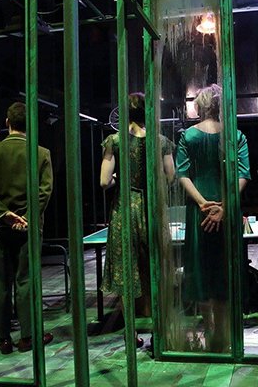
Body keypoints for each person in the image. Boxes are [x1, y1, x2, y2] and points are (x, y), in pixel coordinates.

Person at [0, 102, 54, 355]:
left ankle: (4, 339)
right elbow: (44, 192)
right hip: (28, 228)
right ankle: (28, 336)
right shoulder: (41, 153)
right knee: (26, 280)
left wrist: (3, 214)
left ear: (7, 123)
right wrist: (26, 217)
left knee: (0, 284)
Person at [176, 84, 250, 352]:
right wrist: (225, 207)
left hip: (199, 212)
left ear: (200, 106)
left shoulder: (188, 136)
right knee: (223, 269)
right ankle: (223, 334)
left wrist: (202, 204)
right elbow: (243, 174)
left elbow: (182, 174)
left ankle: (208, 329)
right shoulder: (235, 136)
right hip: (226, 210)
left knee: (201, 269)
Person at [100, 92, 175, 348]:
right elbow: (170, 177)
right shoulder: (161, 141)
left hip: (125, 209)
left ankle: (130, 333)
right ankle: (159, 330)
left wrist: (118, 179)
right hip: (153, 208)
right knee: (155, 268)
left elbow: (103, 181)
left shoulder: (115, 141)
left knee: (126, 270)